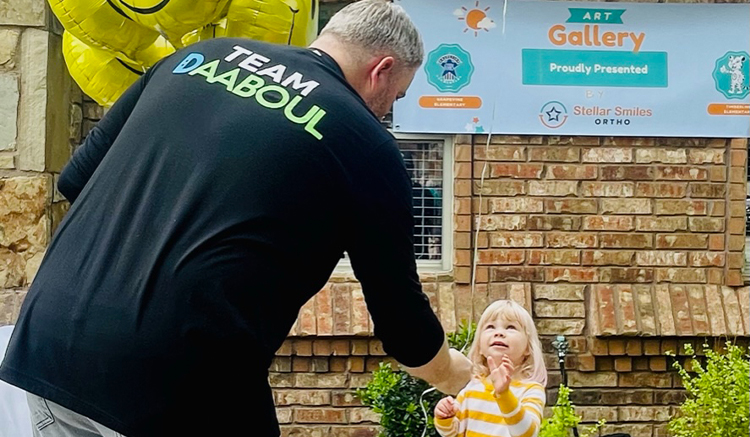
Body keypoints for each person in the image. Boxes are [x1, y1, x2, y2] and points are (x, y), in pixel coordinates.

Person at [0, 1, 472, 436]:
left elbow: (77, 179)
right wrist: (453, 373)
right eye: (399, 95)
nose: (389, 111)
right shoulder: (366, 144)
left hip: (49, 345)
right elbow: (402, 321)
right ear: (382, 69)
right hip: (176, 381)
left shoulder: (198, 56)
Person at [434, 300, 547, 437]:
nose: (499, 333)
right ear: (480, 347)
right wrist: (444, 418)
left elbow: (528, 434)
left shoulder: (531, 390)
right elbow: (453, 433)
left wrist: (504, 395)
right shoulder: (472, 388)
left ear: (528, 348)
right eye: (490, 327)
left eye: (510, 327)